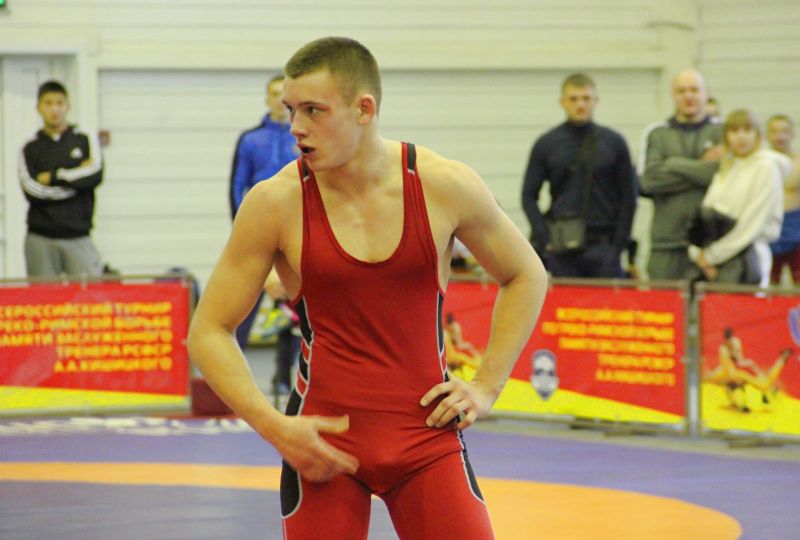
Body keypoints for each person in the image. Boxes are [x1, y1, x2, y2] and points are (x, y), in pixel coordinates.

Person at [188, 36, 547, 539]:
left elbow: (527, 274)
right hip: (322, 443)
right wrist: (273, 426)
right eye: (291, 110)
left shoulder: (443, 184)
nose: (296, 127)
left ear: (364, 109)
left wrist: (487, 386)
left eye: (313, 110)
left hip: (426, 438)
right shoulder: (274, 203)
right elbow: (208, 330)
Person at [521, 73, 637, 278]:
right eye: (573, 99)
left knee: (606, 300)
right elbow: (528, 196)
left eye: (586, 98)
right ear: (562, 102)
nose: (580, 104)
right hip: (561, 248)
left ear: (595, 101)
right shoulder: (547, 143)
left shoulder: (614, 142)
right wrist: (544, 237)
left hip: (604, 247)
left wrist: (618, 245)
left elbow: (629, 196)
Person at [228, 74, 297, 352]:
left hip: (296, 231)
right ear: (267, 99)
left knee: (295, 307)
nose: (279, 101)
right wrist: (241, 232)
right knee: (244, 302)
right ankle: (234, 360)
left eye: (284, 95)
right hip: (258, 231)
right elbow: (236, 187)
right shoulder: (251, 140)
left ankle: (285, 372)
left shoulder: (304, 137)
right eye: (274, 94)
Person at [638, 69, 725, 281]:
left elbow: (722, 175)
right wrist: (702, 168)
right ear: (673, 95)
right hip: (666, 244)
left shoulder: (723, 132)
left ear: (706, 93)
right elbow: (649, 181)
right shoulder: (657, 134)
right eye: (681, 91)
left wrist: (672, 163)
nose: (688, 96)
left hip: (714, 246)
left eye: (694, 90)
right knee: (663, 301)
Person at [688, 110, 787, 287]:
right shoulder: (727, 166)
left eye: (747, 130)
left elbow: (753, 223)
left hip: (748, 257)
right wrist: (698, 254)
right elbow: (706, 212)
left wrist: (711, 257)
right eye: (734, 131)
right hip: (715, 259)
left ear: (758, 134)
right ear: (726, 136)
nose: (741, 137)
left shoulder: (766, 167)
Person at [19, 80, 104, 278]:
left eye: (59, 103)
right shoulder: (30, 148)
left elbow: (95, 174)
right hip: (41, 238)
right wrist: (75, 185)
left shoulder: (85, 140)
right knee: (43, 296)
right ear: (39, 107)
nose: (54, 109)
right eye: (48, 103)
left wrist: (54, 176)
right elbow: (32, 190)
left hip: (78, 236)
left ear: (68, 106)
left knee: (88, 293)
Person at [765, 114, 800, 285]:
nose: (780, 136)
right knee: (770, 281)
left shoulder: (798, 162)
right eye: (775, 131)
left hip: (795, 227)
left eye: (784, 131)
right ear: (767, 135)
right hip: (768, 227)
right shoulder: (760, 163)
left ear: (792, 134)